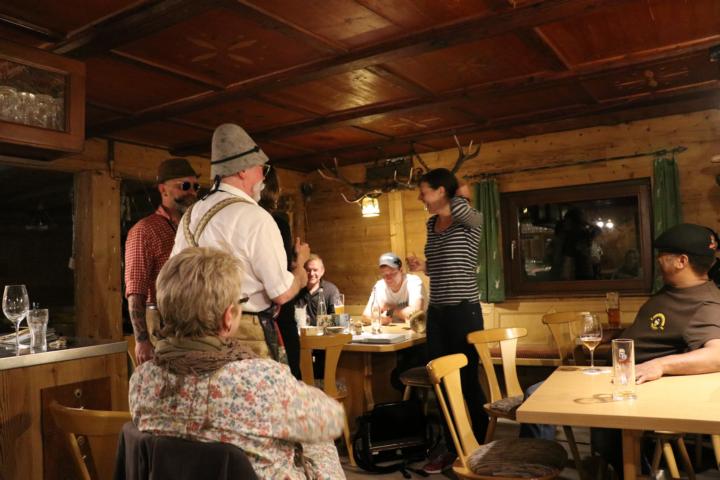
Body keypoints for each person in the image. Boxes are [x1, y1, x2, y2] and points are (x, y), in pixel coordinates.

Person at [129, 247, 345, 479]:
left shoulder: (141, 380)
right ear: (228, 316)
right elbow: (332, 419)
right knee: (318, 443)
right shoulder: (260, 378)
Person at [590, 223, 720, 478]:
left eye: (663, 255)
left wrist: (660, 365)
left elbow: (717, 355)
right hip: (613, 375)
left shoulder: (705, 304)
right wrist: (617, 335)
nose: (658, 260)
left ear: (682, 261)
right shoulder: (676, 289)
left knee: (536, 395)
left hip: (632, 387)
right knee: (538, 395)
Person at [171, 123, 310, 359]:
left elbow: (174, 274)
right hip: (244, 334)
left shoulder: (190, 215)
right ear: (243, 170)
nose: (263, 177)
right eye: (261, 169)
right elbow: (281, 293)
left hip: (192, 337)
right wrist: (300, 274)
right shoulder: (256, 217)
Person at [406, 168, 488, 474]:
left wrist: (458, 192)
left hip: (464, 311)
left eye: (424, 191)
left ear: (442, 191)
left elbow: (467, 208)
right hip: (437, 313)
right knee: (439, 381)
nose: (420, 197)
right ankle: (451, 447)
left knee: (467, 381)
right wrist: (422, 266)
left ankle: (480, 444)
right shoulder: (431, 224)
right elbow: (443, 264)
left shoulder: (469, 219)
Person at [124, 157, 199, 365]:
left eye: (196, 187)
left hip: (192, 319)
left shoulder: (193, 227)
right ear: (163, 190)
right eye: (184, 186)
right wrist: (141, 340)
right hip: (160, 319)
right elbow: (136, 289)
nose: (192, 192)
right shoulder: (144, 230)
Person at [258, 166, 301, 378]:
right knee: (290, 379)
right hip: (277, 318)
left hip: (246, 322)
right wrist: (300, 261)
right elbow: (282, 277)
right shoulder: (276, 222)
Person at [362, 252, 426, 325]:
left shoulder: (413, 281)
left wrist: (390, 310)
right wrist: (381, 320)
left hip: (420, 329)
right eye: (384, 274)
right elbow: (366, 316)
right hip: (393, 330)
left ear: (401, 271)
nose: (388, 278)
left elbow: (416, 314)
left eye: (393, 273)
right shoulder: (380, 286)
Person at [296, 254, 341, 326]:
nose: (311, 273)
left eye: (315, 270)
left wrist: (318, 325)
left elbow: (339, 320)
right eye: (308, 270)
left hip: (323, 332)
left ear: (322, 271)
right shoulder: (296, 290)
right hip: (301, 332)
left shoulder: (331, 290)